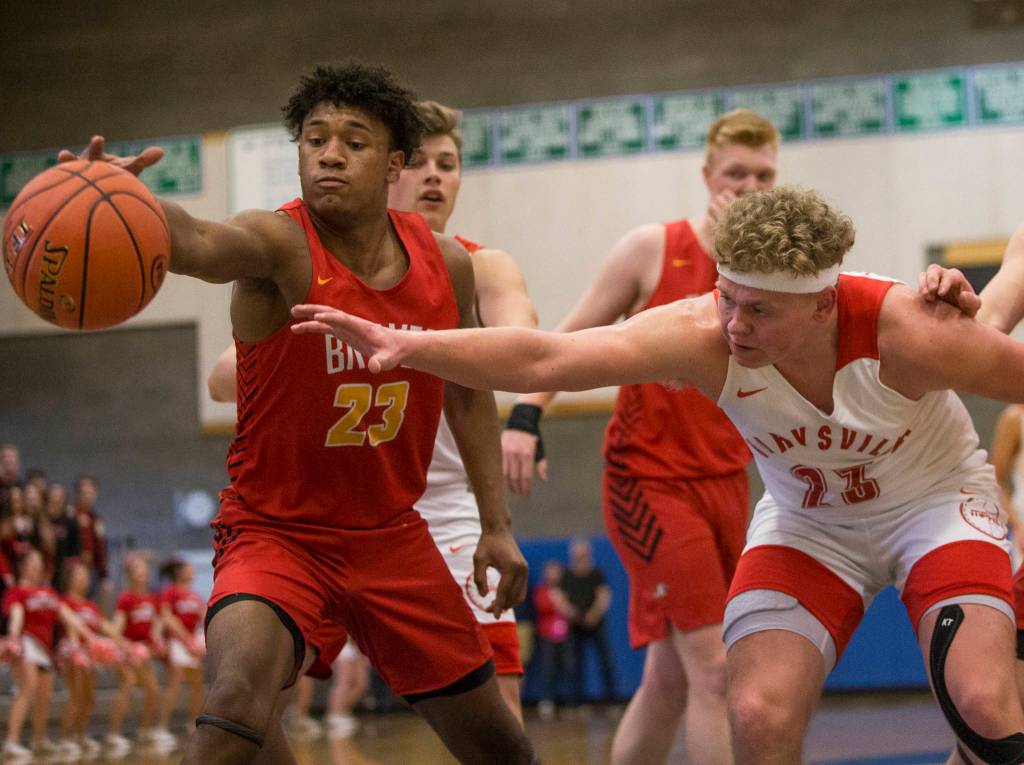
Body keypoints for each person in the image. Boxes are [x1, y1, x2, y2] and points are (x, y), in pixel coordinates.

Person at [293, 185, 1024, 765]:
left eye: (759, 309)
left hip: (931, 504)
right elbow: (549, 358)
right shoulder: (704, 332)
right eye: (728, 296)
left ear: (822, 304)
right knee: (756, 711)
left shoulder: (908, 328)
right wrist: (409, 343)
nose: (734, 323)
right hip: (811, 519)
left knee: (987, 708)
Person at [61, 61, 533, 765]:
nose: (330, 154)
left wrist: (497, 524)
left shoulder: (446, 266)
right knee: (231, 707)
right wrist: (123, 200)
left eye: (353, 140)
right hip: (276, 532)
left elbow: (467, 389)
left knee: (503, 748)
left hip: (391, 537)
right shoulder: (277, 242)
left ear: (392, 163)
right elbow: (193, 241)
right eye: (315, 139)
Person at [206, 98, 538, 726]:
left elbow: (515, 351)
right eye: (424, 163)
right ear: (394, 170)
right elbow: (225, 376)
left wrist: (443, 352)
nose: (437, 176)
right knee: (250, 698)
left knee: (497, 704)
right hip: (314, 512)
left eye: (451, 163)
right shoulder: (311, 260)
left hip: (435, 506)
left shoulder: (473, 263)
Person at [499, 107, 776, 764]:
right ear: (708, 174)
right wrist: (525, 414)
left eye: (765, 173)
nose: (749, 186)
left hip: (728, 482)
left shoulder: (773, 274)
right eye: (736, 172)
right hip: (648, 481)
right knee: (715, 668)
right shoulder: (656, 247)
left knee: (672, 677)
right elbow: (568, 336)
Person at [2, 549, 90, 761]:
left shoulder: (49, 593)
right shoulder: (16, 592)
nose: (37, 566)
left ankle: (38, 739)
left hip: (45, 650)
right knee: (27, 689)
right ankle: (11, 742)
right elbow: (16, 614)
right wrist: (13, 637)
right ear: (22, 565)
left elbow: (68, 617)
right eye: (32, 562)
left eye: (39, 562)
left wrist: (91, 638)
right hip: (27, 643)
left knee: (44, 696)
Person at [106, 554, 172, 756]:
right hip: (128, 650)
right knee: (127, 685)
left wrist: (156, 635)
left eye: (145, 571)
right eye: (137, 571)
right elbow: (117, 627)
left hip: (143, 653)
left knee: (153, 690)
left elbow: (161, 619)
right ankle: (113, 734)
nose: (142, 575)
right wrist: (121, 643)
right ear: (130, 575)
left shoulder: (153, 598)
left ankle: (144, 730)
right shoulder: (126, 598)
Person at [58, 558, 122, 759]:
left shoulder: (90, 605)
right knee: (76, 696)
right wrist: (78, 649)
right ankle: (65, 739)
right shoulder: (63, 601)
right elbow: (70, 628)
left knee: (88, 697)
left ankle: (79, 735)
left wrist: (123, 641)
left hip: (90, 651)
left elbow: (105, 626)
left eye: (86, 576)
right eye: (79, 575)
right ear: (68, 578)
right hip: (74, 650)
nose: (84, 579)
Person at [560, 538, 616, 706]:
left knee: (605, 660)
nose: (579, 557)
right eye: (576, 553)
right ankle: (576, 701)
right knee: (574, 663)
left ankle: (611, 699)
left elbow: (604, 595)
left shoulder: (596, 573)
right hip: (575, 624)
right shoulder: (567, 575)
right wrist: (573, 614)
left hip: (596, 623)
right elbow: (561, 599)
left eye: (582, 553)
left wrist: (594, 614)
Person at [156, 558, 206, 740]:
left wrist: (200, 641)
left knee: (197, 685)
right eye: (189, 569)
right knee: (174, 684)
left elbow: (204, 617)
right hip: (177, 642)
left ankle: (192, 724)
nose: (192, 572)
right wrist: (185, 639)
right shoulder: (170, 592)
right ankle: (161, 728)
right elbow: (166, 616)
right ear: (179, 572)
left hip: (192, 643)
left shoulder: (195, 596)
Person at [531, 560, 573, 720]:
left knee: (568, 666)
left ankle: (570, 701)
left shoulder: (565, 589)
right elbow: (543, 606)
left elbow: (571, 610)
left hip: (564, 634)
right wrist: (558, 603)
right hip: (547, 634)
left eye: (556, 572)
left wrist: (563, 604)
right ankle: (547, 701)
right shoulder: (541, 590)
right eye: (550, 572)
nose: (553, 575)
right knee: (548, 668)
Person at [323, 642, 371, 738]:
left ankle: (343, 712)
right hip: (344, 643)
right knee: (344, 682)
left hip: (357, 646)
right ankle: (334, 715)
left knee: (361, 684)